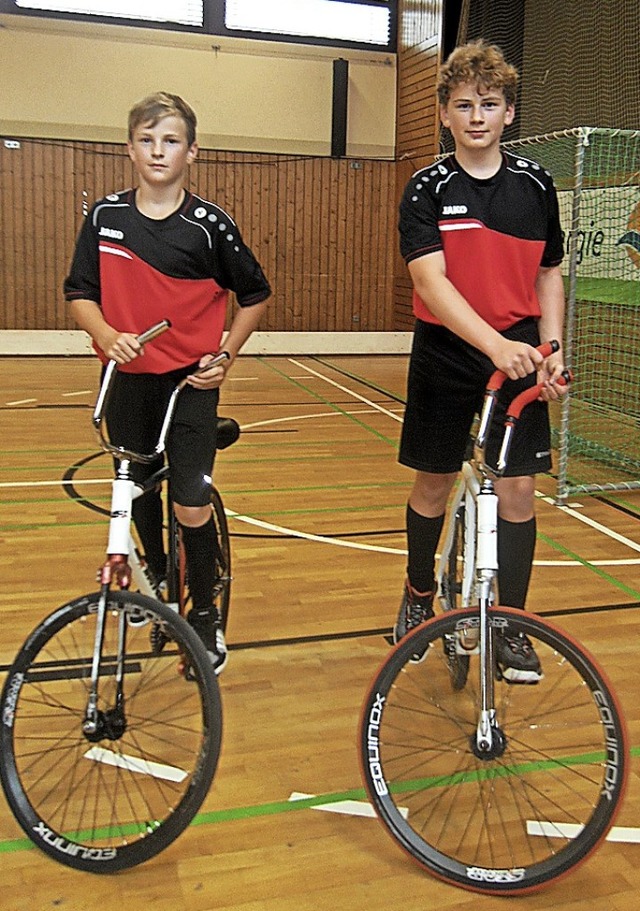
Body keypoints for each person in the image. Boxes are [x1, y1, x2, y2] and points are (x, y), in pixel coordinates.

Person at [64, 92, 271, 674]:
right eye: (148, 140)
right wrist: (106, 334)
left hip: (190, 388)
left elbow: (254, 295)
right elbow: (79, 292)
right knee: (137, 496)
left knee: (190, 502)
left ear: (192, 152)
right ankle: (157, 576)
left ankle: (203, 611)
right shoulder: (105, 218)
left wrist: (225, 355)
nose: (159, 151)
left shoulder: (209, 227)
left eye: (171, 140)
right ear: (129, 148)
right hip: (127, 383)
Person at [393, 40, 568, 683]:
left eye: (488, 105)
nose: (475, 116)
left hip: (520, 347)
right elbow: (432, 284)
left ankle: (513, 625)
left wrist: (549, 349)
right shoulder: (426, 189)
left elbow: (550, 272)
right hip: (447, 349)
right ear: (444, 114)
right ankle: (417, 593)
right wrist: (494, 347)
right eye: (462, 105)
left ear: (509, 113)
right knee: (433, 483)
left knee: (519, 490)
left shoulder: (535, 186)